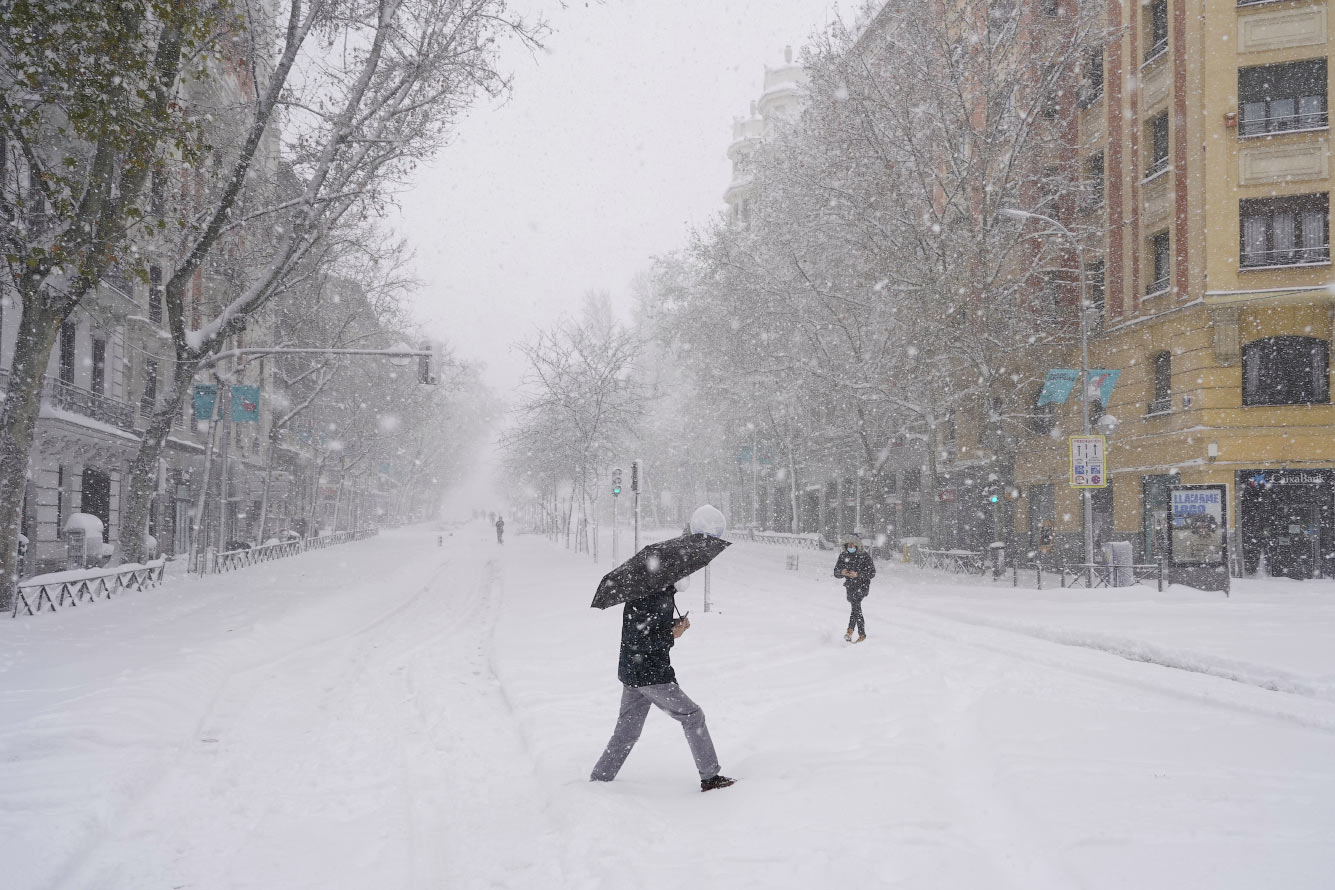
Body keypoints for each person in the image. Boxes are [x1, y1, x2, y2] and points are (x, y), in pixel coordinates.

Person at [590, 573, 735, 792]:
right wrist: (672, 634)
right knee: (693, 716)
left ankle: (599, 780)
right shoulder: (651, 597)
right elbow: (637, 639)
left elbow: (650, 628)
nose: (687, 579)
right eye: (684, 575)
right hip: (650, 676)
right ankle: (710, 777)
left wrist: (674, 625)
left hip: (634, 675)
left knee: (627, 732)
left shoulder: (657, 592)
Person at [833, 534, 876, 643]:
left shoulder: (864, 556)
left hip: (862, 585)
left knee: (856, 606)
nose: (850, 547)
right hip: (850, 586)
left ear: (857, 545)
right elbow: (836, 572)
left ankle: (854, 632)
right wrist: (841, 572)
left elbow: (872, 573)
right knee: (855, 608)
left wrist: (858, 574)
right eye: (848, 545)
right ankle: (858, 634)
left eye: (853, 545)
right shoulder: (843, 555)